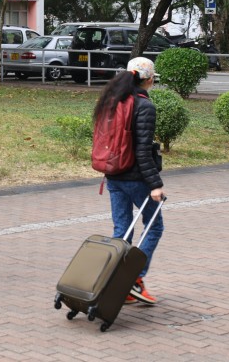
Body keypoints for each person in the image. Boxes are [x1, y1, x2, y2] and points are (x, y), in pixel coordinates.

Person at [93, 55, 165, 305]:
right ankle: (133, 279)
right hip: (137, 178)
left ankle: (118, 281)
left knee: (121, 231)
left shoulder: (113, 101)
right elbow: (143, 151)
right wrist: (155, 185)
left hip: (113, 174)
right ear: (150, 79)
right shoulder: (144, 106)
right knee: (154, 226)